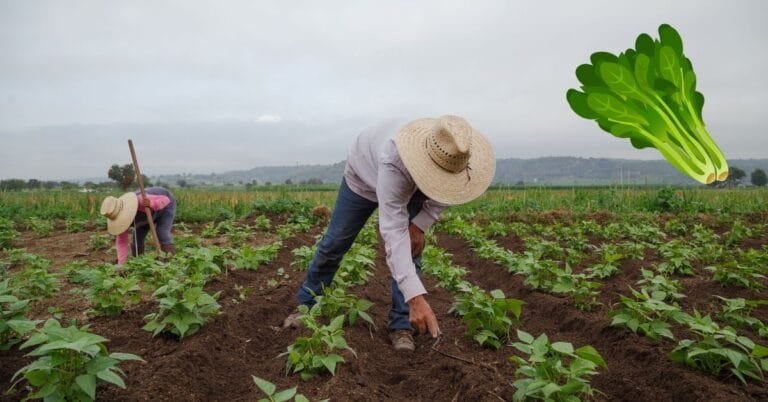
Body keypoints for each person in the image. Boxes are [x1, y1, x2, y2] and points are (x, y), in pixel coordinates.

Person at [283, 115, 495, 352]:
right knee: (335, 243)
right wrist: (416, 298)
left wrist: (419, 226)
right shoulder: (395, 158)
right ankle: (306, 306)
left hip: (415, 187)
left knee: (412, 249)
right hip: (364, 177)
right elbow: (393, 233)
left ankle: (401, 325)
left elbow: (448, 196)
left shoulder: (458, 158)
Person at [99, 186, 177, 264]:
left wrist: (151, 204)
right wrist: (121, 264)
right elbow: (122, 242)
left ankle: (170, 261)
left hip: (165, 207)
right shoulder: (120, 220)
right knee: (137, 239)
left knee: (162, 232)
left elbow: (165, 200)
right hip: (144, 216)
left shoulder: (140, 199)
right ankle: (139, 262)